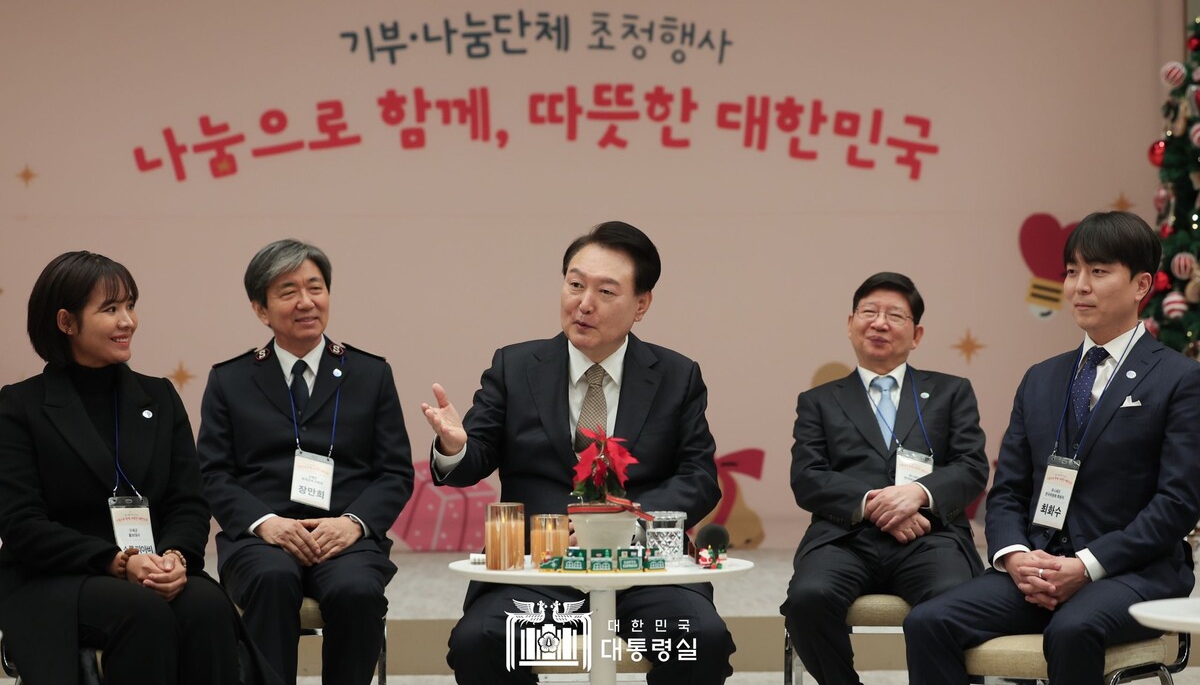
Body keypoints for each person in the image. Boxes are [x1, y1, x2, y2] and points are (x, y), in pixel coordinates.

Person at [422, 220, 735, 685]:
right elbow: (474, 458)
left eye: (606, 292)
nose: (584, 303)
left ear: (641, 304)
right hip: (536, 570)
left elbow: (699, 478)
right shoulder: (515, 366)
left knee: (701, 642)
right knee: (481, 642)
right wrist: (454, 445)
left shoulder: (676, 376)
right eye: (575, 285)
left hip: (644, 570)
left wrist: (623, 524)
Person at [905, 211, 1200, 685]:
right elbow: (1008, 490)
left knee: (1072, 630)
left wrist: (1085, 565)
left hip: (1133, 572)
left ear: (1141, 285)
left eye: (1098, 271)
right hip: (1038, 566)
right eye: (1071, 271)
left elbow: (1178, 503)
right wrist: (1015, 556)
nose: (1079, 286)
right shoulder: (1041, 378)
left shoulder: (1180, 379)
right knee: (928, 622)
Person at [0, 251, 255, 685]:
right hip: (57, 576)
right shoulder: (21, 405)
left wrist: (175, 557)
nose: (128, 321)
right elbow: (21, 523)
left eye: (130, 305)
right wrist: (116, 563)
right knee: (143, 612)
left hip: (152, 565)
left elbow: (188, 502)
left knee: (208, 607)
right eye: (110, 309)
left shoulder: (159, 397)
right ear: (66, 322)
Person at [197, 238, 414, 685]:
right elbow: (213, 473)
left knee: (356, 589)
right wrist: (265, 523)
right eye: (288, 291)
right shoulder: (230, 379)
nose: (306, 302)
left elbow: (394, 473)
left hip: (345, 537)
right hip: (262, 540)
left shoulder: (370, 374)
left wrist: (353, 524)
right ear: (261, 309)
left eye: (315, 287)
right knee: (272, 579)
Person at [779, 271, 988, 685]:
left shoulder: (951, 391)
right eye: (869, 312)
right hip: (845, 538)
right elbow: (807, 477)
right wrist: (877, 504)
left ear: (917, 334)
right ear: (850, 323)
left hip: (930, 536)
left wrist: (918, 494)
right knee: (807, 599)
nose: (879, 323)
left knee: (952, 600)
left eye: (894, 315)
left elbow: (971, 467)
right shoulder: (819, 401)